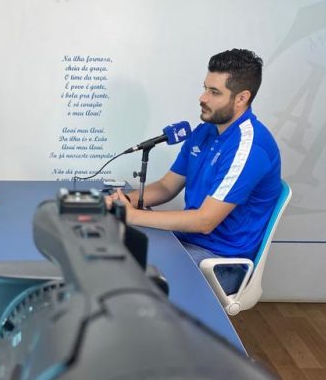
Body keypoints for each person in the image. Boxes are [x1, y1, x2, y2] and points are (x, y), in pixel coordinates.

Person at [109, 49, 282, 294]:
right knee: (106, 250)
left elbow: (205, 221)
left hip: (219, 262)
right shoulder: (205, 131)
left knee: (122, 277)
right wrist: (121, 202)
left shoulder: (250, 148)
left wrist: (133, 216)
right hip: (186, 241)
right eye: (205, 88)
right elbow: (167, 186)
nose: (203, 98)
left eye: (214, 92)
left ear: (242, 98)